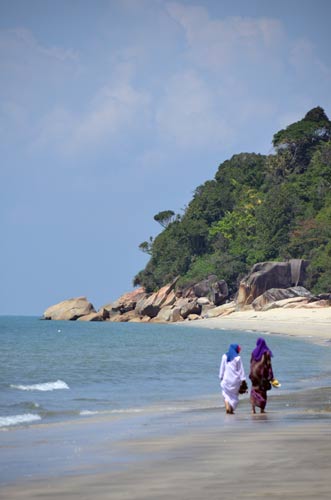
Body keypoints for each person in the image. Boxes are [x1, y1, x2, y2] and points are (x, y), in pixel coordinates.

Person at [219, 343, 247, 414]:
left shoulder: (224, 356)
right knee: (234, 397)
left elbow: (222, 368)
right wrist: (243, 380)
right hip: (235, 381)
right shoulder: (237, 358)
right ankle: (230, 408)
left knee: (225, 394)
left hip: (226, 380)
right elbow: (241, 370)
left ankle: (227, 404)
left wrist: (221, 377)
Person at [249, 337, 274, 414]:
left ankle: (253, 410)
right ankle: (262, 409)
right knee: (263, 391)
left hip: (254, 374)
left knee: (254, 390)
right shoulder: (266, 352)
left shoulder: (253, 352)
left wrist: (251, 373)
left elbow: (251, 363)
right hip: (262, 374)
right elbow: (268, 364)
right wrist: (271, 376)